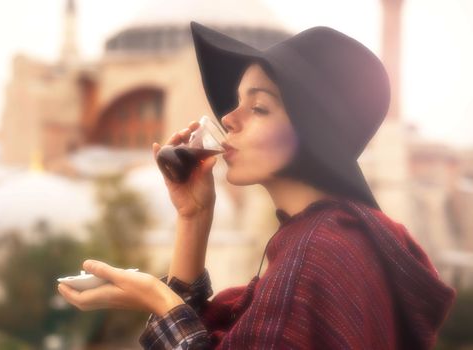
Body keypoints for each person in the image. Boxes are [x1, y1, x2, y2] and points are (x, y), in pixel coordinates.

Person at [58, 22, 456, 349]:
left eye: (259, 107)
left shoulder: (317, 256)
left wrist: (158, 300)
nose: (229, 118)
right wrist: (194, 218)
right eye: (236, 102)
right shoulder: (332, 238)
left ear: (312, 133)